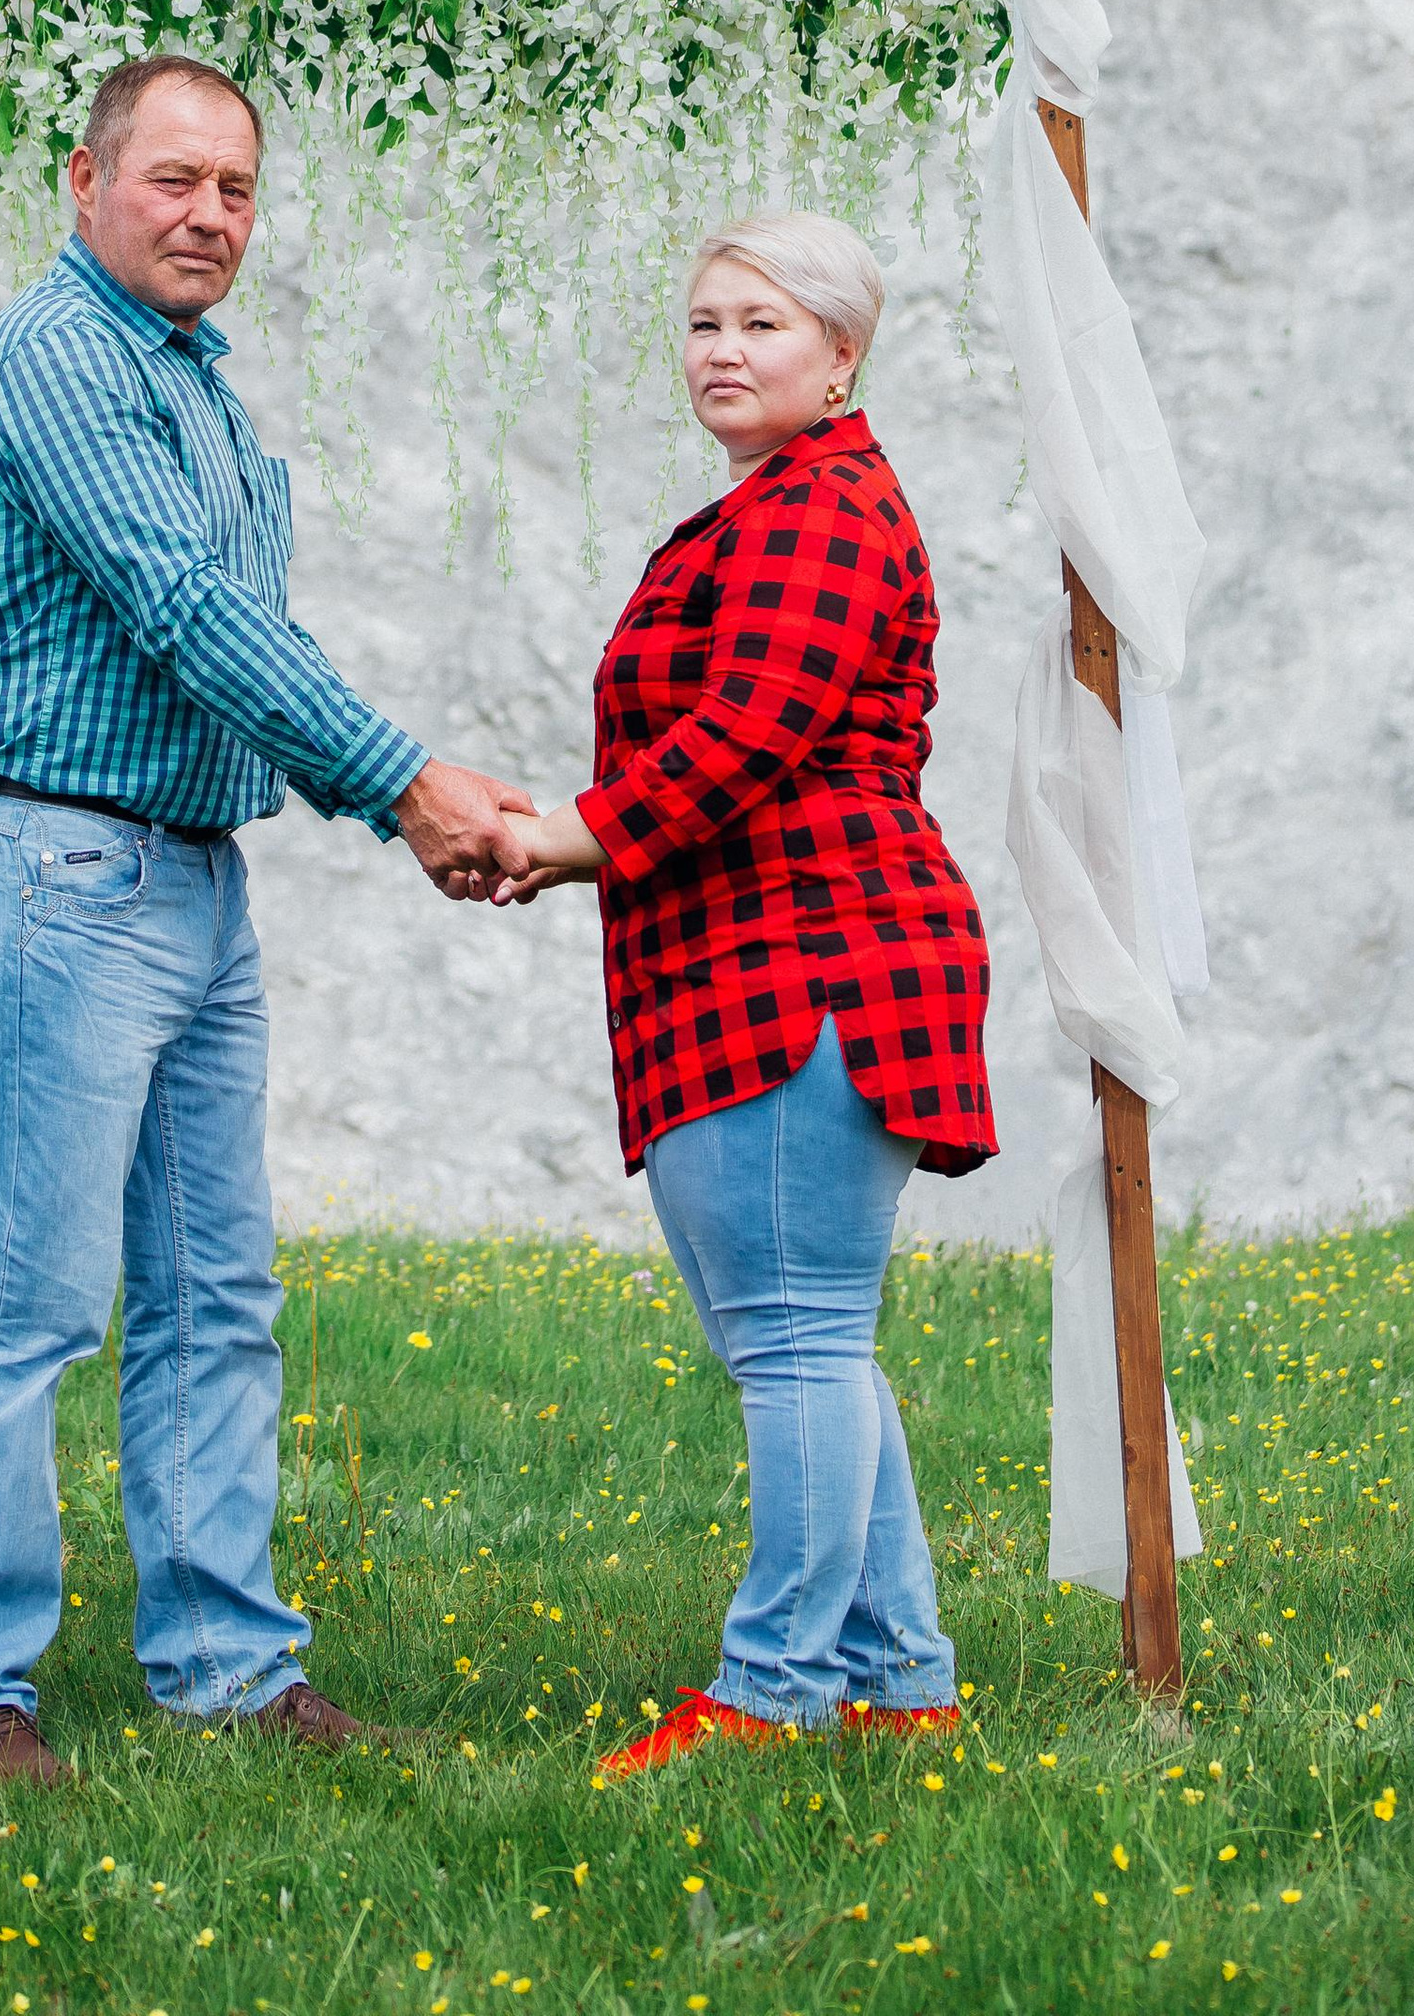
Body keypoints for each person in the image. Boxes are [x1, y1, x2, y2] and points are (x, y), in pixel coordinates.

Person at [0, 50, 532, 1783]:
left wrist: (395, 788)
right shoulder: (56, 357)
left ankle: (228, 1667)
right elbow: (180, 608)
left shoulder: (194, 387)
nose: (209, 215)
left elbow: (244, 641)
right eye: (173, 179)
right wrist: (405, 785)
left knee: (213, 1297)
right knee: (22, 1301)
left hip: (188, 877)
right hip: (63, 871)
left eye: (236, 188)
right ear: (83, 180)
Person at [493, 212, 995, 1774]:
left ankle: (773, 1691)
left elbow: (747, 733)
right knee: (807, 1341)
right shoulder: (783, 501)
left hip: (806, 964)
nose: (723, 349)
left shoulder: (821, 512)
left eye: (762, 325)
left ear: (842, 357)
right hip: (754, 960)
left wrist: (562, 839)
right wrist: (572, 838)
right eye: (706, 323)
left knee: (798, 1344)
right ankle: (902, 1682)